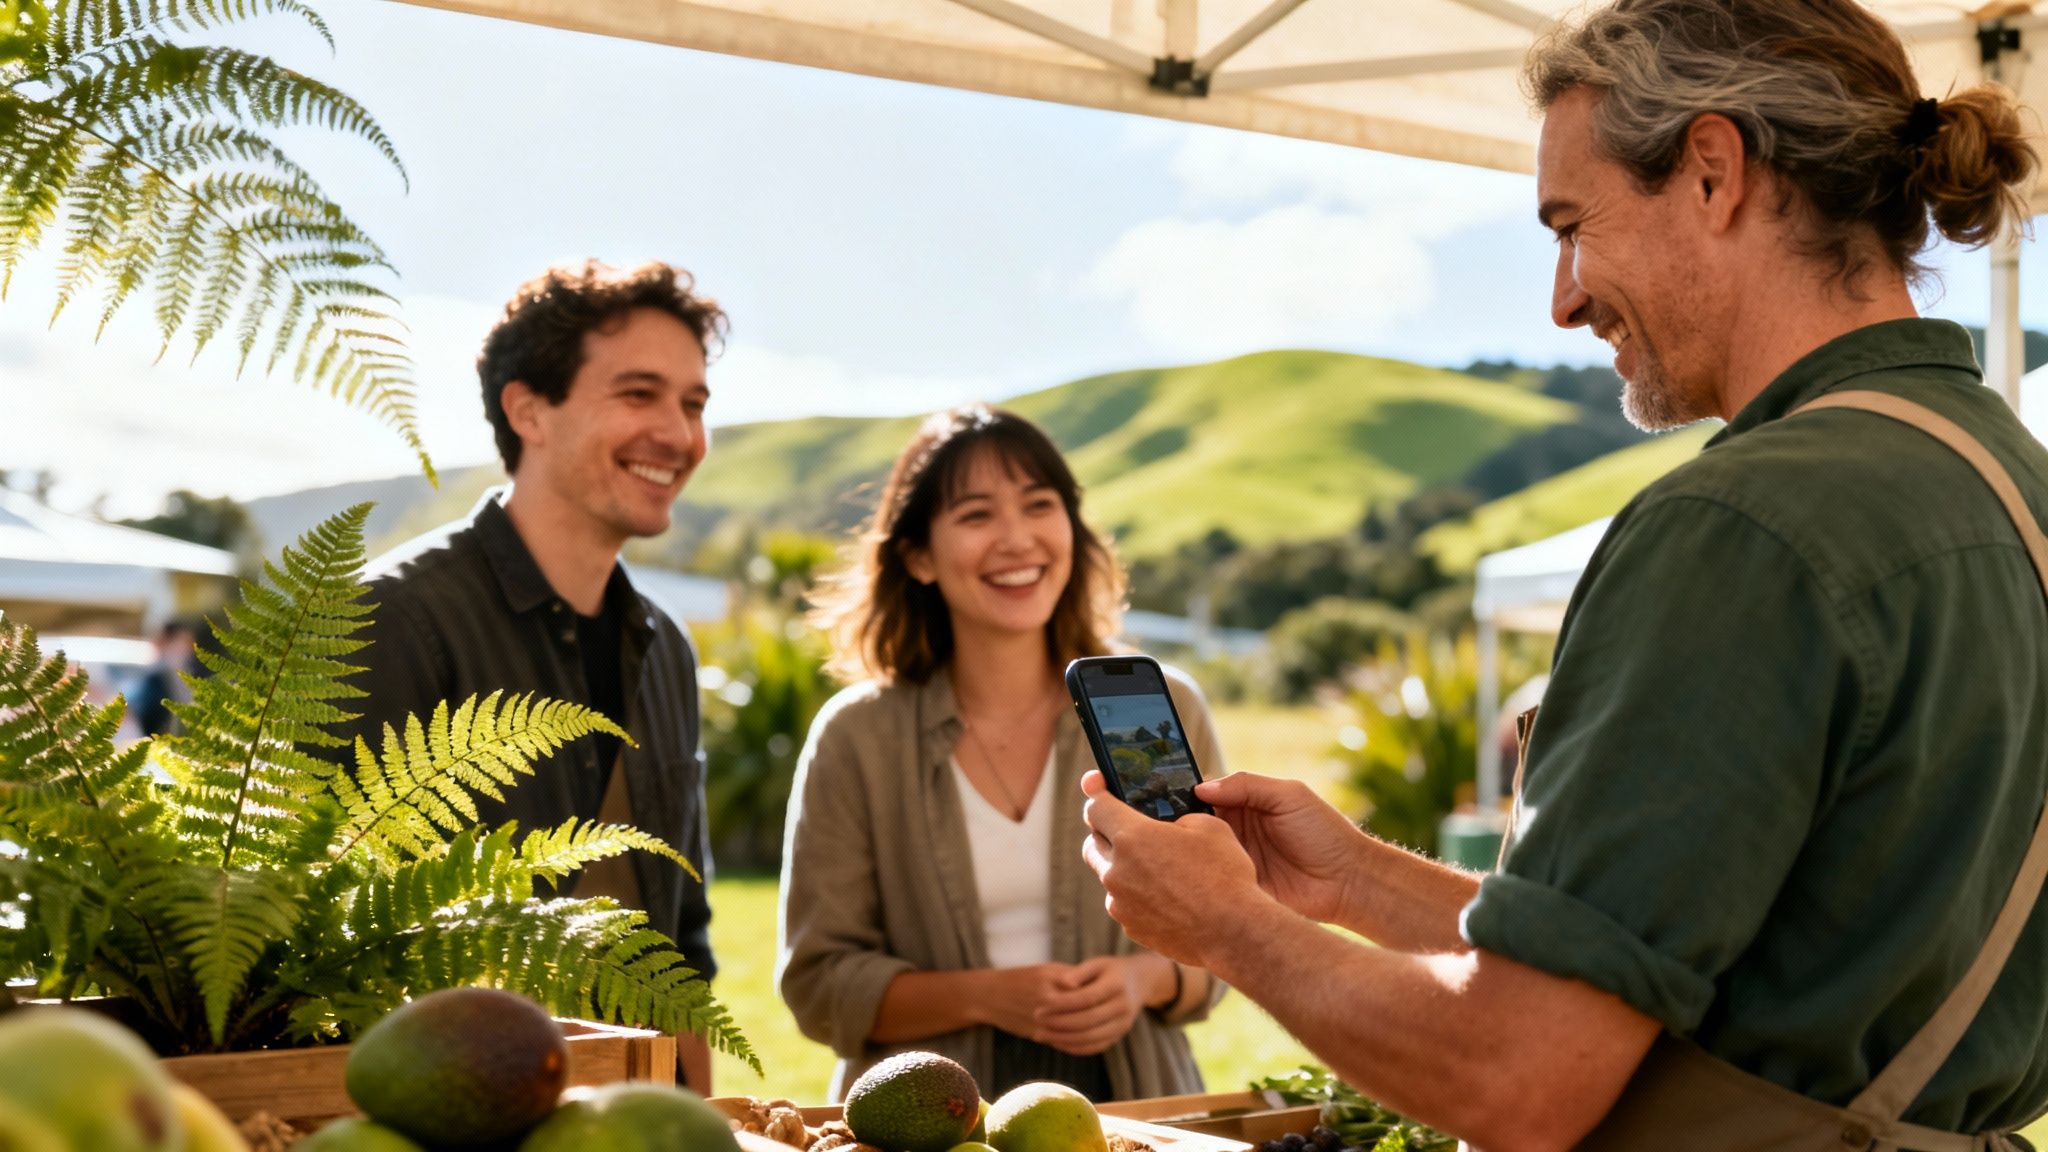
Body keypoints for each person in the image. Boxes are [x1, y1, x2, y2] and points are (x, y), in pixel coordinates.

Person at [1082, 2, 2048, 1148]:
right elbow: (1700, 956)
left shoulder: (1737, 525)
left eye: (1570, 225)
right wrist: (1351, 885)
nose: (1563, 298)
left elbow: (1516, 1075)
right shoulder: (2006, 481)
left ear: (1709, 171)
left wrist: (1225, 926)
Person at [346, 260, 725, 1093]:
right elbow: (329, 937)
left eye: (693, 403)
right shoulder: (394, 620)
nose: (679, 433)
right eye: (639, 394)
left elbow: (682, 935)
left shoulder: (668, 650)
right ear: (529, 410)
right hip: (451, 1109)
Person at [779, 405, 1224, 1103]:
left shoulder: (1164, 707)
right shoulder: (855, 737)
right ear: (919, 555)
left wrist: (1144, 980)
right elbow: (817, 983)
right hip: (923, 1123)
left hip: (1138, 1111)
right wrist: (990, 998)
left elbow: (1224, 930)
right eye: (977, 514)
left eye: (1040, 506)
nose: (1017, 540)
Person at [133, 618, 197, 737]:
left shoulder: (188, 673)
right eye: (185, 643)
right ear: (167, 642)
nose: (191, 649)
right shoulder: (154, 676)